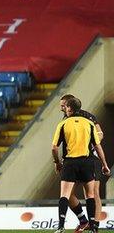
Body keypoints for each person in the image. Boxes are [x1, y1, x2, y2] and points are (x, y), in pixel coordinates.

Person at [52, 96, 110, 233]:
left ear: (69, 105)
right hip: (82, 160)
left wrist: (87, 142)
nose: (61, 108)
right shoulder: (65, 120)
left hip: (90, 157)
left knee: (92, 192)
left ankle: (94, 224)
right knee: (72, 194)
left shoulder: (88, 117)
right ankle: (84, 220)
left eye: (63, 105)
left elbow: (100, 134)